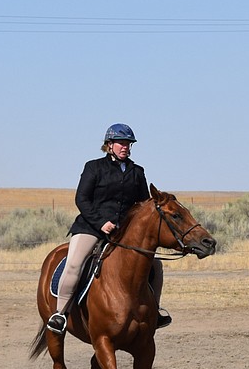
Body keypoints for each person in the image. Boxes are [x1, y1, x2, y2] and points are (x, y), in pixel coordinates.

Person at [47, 123, 167, 334]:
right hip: (91, 227)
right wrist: (101, 222)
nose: (126, 147)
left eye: (129, 144)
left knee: (155, 265)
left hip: (123, 233)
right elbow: (81, 199)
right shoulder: (93, 167)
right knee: (75, 263)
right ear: (109, 145)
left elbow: (142, 205)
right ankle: (60, 314)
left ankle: (154, 312)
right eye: (121, 143)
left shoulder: (137, 172)